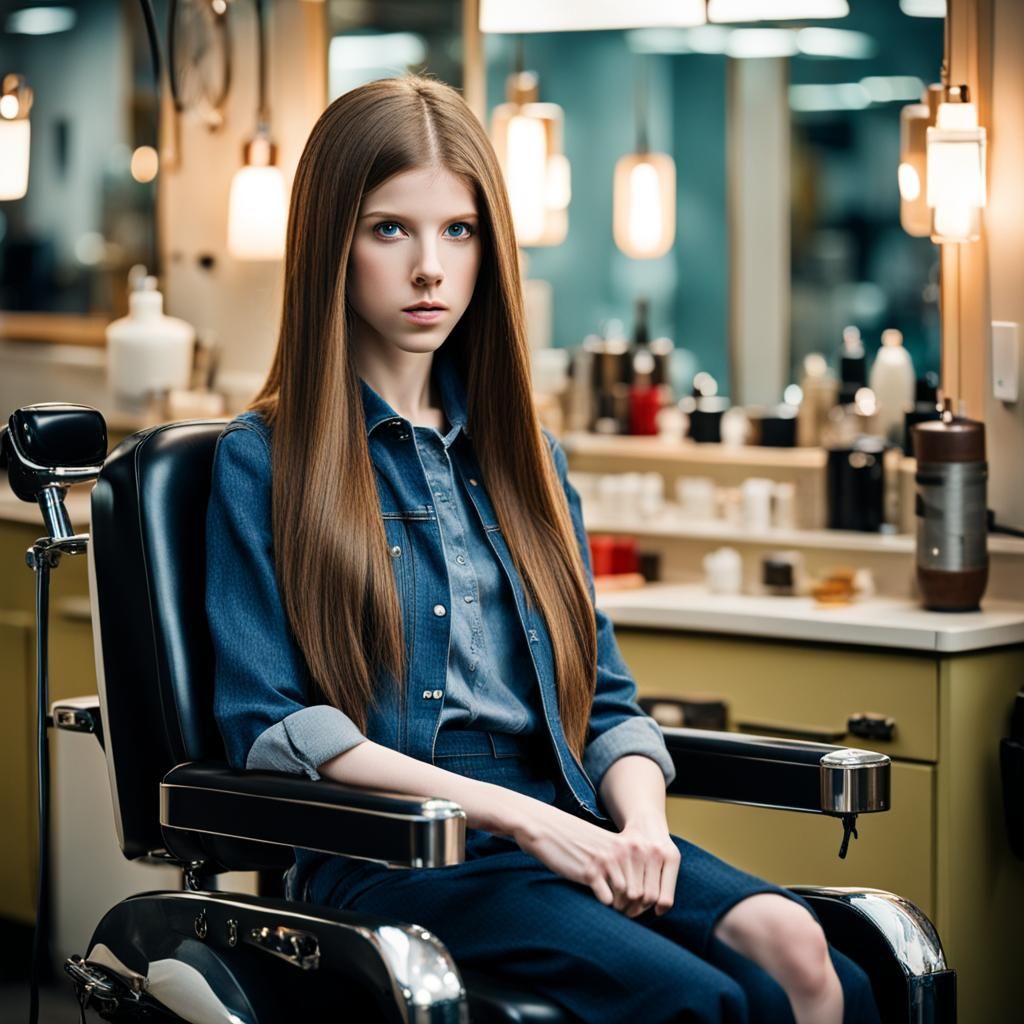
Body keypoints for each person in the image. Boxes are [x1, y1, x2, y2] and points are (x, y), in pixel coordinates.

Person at [205, 75, 880, 1024]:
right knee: (697, 1000)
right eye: (390, 229)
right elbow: (274, 729)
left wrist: (641, 826)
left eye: (459, 231)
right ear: (331, 246)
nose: (430, 268)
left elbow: (604, 701)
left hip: (574, 819)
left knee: (807, 957)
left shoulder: (527, 459)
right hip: (403, 856)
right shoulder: (264, 461)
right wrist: (526, 821)